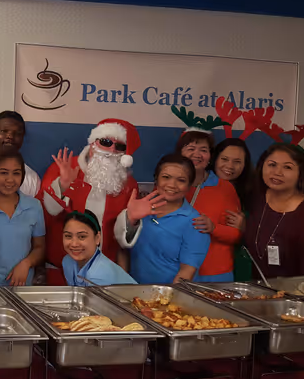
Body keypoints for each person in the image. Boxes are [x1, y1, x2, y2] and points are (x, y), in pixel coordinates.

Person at [41, 118, 141, 285]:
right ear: (94, 142)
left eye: (119, 146)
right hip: (62, 267)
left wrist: (131, 221)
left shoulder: (128, 184)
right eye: (106, 142)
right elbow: (49, 211)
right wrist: (63, 185)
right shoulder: (68, 167)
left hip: (103, 272)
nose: (111, 149)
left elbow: (120, 239)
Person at [243, 143, 304, 280]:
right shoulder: (255, 198)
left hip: (299, 295)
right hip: (259, 292)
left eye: (287, 167)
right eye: (272, 165)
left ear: (301, 173)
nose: (277, 172)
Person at [115, 154, 210, 284]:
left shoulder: (195, 222)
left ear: (189, 186)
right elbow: (123, 249)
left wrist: (165, 300)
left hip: (168, 297)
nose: (172, 184)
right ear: (156, 179)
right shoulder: (141, 208)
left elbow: (187, 272)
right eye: (166, 177)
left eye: (181, 180)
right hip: (132, 293)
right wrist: (124, 285)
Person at [176, 131, 243, 283]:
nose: (197, 154)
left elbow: (236, 234)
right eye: (191, 148)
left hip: (214, 274)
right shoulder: (168, 186)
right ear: (180, 153)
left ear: (210, 157)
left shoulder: (224, 188)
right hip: (174, 272)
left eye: (203, 150)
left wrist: (214, 228)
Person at [0, 148, 45, 287]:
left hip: (24, 288)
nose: (10, 180)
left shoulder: (34, 206)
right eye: (3, 173)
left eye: (16, 173)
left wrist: (26, 263)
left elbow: (39, 247)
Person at [210, 138, 255, 281]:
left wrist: (246, 227)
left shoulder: (253, 193)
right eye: (224, 159)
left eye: (237, 162)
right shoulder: (198, 187)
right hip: (204, 266)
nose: (230, 166)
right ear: (214, 160)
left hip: (238, 268)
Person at [62, 210, 136, 286]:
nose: (74, 244)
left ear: (97, 238)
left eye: (82, 237)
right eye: (68, 236)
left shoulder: (100, 273)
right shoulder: (68, 262)